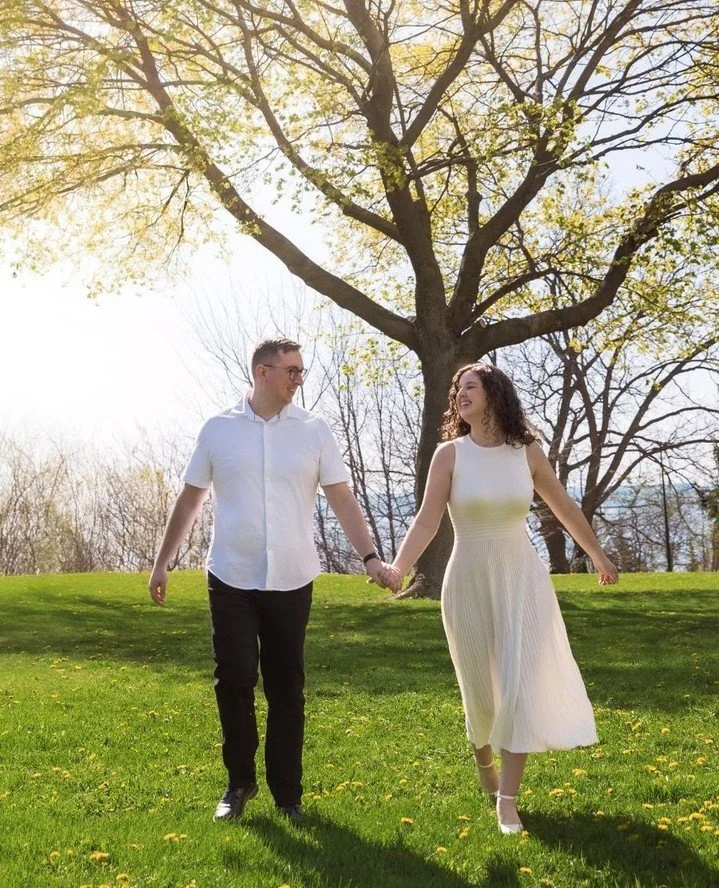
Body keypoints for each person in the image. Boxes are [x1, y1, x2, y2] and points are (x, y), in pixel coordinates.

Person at [149, 338, 392, 823]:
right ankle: (239, 784)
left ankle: (288, 795)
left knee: (287, 689)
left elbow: (342, 499)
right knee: (234, 679)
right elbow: (189, 500)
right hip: (231, 576)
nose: (299, 379)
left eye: (301, 371)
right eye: (292, 370)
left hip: (292, 577)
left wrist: (369, 557)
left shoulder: (315, 431)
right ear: (263, 372)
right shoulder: (218, 429)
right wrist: (162, 562)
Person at [380, 362, 618, 835]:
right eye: (457, 388)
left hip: (521, 577)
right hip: (466, 578)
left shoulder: (525, 452)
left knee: (517, 684)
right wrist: (399, 567)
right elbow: (427, 520)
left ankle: (507, 802)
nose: (460, 393)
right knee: (480, 689)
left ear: (494, 394)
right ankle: (483, 758)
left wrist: (597, 556)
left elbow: (563, 506)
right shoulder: (449, 455)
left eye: (470, 385)